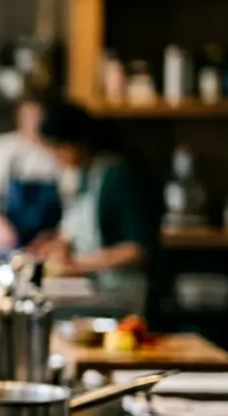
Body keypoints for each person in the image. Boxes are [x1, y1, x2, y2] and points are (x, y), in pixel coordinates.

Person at [29, 102, 160, 315]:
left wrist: (77, 264)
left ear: (75, 143)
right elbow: (76, 228)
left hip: (122, 295)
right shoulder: (84, 175)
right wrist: (57, 245)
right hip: (95, 290)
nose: (56, 158)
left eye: (57, 149)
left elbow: (138, 249)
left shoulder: (118, 177)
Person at [0, 93, 64, 252]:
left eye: (39, 116)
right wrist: (6, 236)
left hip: (49, 249)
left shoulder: (60, 153)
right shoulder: (2, 149)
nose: (34, 123)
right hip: (8, 247)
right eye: (29, 116)